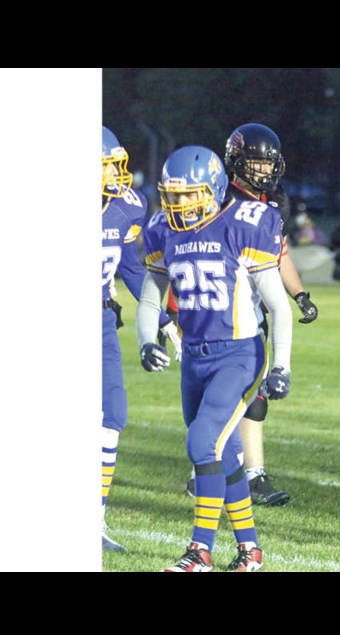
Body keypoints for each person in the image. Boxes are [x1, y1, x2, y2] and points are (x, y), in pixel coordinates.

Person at [137, 145, 293, 572]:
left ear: (214, 188)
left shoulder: (243, 224)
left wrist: (282, 366)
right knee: (220, 455)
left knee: (201, 442)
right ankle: (250, 551)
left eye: (190, 194)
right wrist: (148, 341)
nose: (180, 203)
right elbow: (151, 300)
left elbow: (278, 305)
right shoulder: (162, 230)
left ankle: (200, 551)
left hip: (240, 354)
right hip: (194, 358)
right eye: (173, 195)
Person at [180, 124, 315, 507]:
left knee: (253, 400)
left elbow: (279, 255)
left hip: (253, 310)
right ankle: (215, 472)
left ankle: (245, 474)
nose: (265, 170)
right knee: (225, 400)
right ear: (237, 161)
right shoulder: (217, 199)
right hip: (217, 314)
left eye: (269, 162)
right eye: (257, 161)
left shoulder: (271, 206)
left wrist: (299, 293)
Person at [101, 126, 180, 553]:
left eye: (115, 164)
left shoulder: (126, 207)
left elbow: (131, 267)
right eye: (105, 166)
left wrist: (164, 317)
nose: (115, 174)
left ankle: (93, 520)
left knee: (112, 415)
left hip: (100, 323)